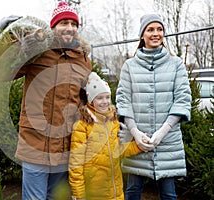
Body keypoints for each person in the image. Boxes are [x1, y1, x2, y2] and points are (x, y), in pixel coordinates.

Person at [0, 1, 92, 200]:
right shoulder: (36, 51)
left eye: (73, 24)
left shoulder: (83, 59)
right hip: (35, 143)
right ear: (53, 27)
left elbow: (84, 99)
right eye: (64, 23)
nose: (69, 28)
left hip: (64, 146)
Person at [115, 13, 192, 200]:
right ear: (142, 35)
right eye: (150, 29)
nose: (155, 33)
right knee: (132, 190)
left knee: (168, 193)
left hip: (167, 140)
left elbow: (182, 98)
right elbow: (123, 100)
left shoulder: (176, 65)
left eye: (159, 29)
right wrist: (135, 133)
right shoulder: (129, 66)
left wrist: (161, 133)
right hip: (136, 142)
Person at [69, 72, 142, 200]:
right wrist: (79, 194)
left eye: (107, 97)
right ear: (91, 100)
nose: (105, 102)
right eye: (100, 98)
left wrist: (140, 145)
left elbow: (117, 151)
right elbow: (76, 163)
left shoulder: (113, 121)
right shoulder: (82, 126)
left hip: (116, 191)